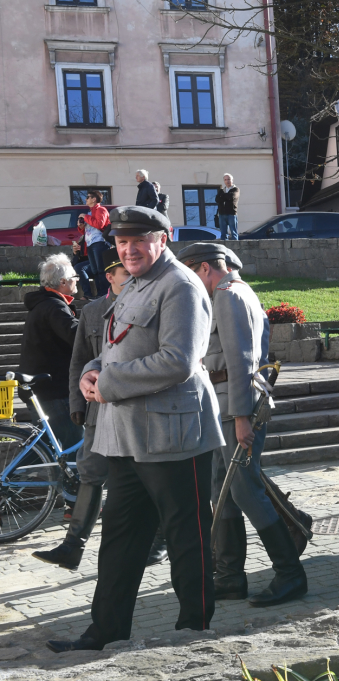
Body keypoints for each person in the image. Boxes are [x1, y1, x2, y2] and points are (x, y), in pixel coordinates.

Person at [46, 207, 225, 654]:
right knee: (121, 537)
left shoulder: (180, 285)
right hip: (124, 435)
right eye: (122, 243)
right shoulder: (133, 284)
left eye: (139, 240)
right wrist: (91, 371)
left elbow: (179, 360)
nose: (129, 249)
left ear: (162, 240)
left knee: (187, 538)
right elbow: (112, 348)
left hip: (173, 435)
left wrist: (106, 383)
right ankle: (102, 632)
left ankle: (194, 634)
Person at [178, 243, 307, 607]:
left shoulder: (228, 295)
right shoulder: (236, 292)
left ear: (205, 268)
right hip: (225, 408)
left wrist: (240, 418)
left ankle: (290, 574)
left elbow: (241, 361)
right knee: (224, 489)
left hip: (236, 408)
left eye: (190, 273)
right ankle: (231, 577)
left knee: (246, 490)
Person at [32, 249, 129, 570]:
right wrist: (77, 405)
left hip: (129, 408)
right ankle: (73, 541)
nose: (78, 281)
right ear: (111, 276)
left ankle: (157, 542)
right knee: (85, 468)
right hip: (81, 400)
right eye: (119, 271)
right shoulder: (78, 309)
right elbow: (78, 354)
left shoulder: (149, 302)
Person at [18, 253, 82, 450]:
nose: (77, 280)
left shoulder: (45, 304)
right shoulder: (54, 306)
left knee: (48, 444)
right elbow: (75, 335)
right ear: (63, 281)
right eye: (74, 277)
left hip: (44, 386)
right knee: (74, 445)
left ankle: (17, 474)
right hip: (53, 388)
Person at [78, 189, 111, 298]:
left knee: (101, 269)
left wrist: (85, 217)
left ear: (94, 199)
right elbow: (88, 230)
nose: (85, 199)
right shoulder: (90, 212)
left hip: (100, 242)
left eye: (87, 197)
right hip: (91, 243)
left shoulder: (101, 210)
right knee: (95, 270)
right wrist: (81, 226)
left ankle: (105, 293)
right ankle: (100, 294)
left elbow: (99, 225)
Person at [216, 174, 240, 240]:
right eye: (225, 180)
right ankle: (224, 248)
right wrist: (225, 196)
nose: (227, 181)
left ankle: (236, 248)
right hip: (222, 214)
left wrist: (223, 196)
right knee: (223, 234)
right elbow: (217, 199)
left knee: (234, 233)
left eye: (229, 179)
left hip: (231, 214)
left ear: (232, 180)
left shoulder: (235, 189)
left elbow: (231, 197)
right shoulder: (221, 190)